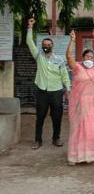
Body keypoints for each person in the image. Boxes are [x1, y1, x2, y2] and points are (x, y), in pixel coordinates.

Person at [26, 18, 71, 150]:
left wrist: (68, 89)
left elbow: (64, 76)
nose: (46, 46)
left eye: (48, 44)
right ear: (42, 46)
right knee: (40, 117)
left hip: (57, 92)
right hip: (42, 91)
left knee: (57, 117)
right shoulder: (39, 56)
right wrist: (30, 27)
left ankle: (56, 138)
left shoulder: (59, 59)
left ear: (52, 46)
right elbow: (29, 42)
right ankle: (38, 140)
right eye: (44, 44)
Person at [66, 30, 94, 165]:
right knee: (77, 129)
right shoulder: (77, 68)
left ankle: (89, 155)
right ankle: (74, 156)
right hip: (78, 105)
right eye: (87, 57)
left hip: (91, 106)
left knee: (89, 129)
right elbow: (68, 57)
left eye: (91, 57)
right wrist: (72, 40)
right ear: (83, 58)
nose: (89, 59)